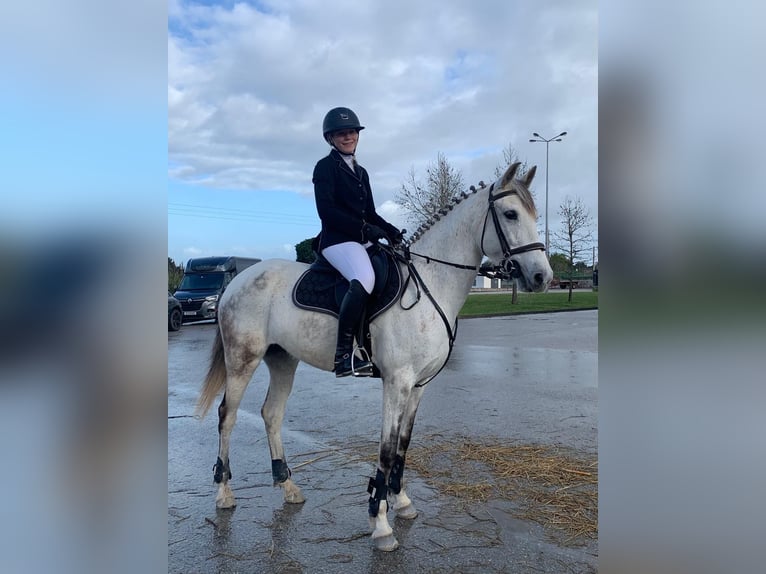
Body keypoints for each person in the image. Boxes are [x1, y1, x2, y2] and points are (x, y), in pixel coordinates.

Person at [312, 107, 403, 378]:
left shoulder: (361, 172)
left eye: (351, 132)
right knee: (364, 277)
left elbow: (371, 213)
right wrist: (365, 230)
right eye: (341, 134)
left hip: (360, 239)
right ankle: (343, 355)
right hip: (337, 240)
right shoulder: (325, 167)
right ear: (331, 138)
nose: (348, 137)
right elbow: (326, 210)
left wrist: (389, 230)